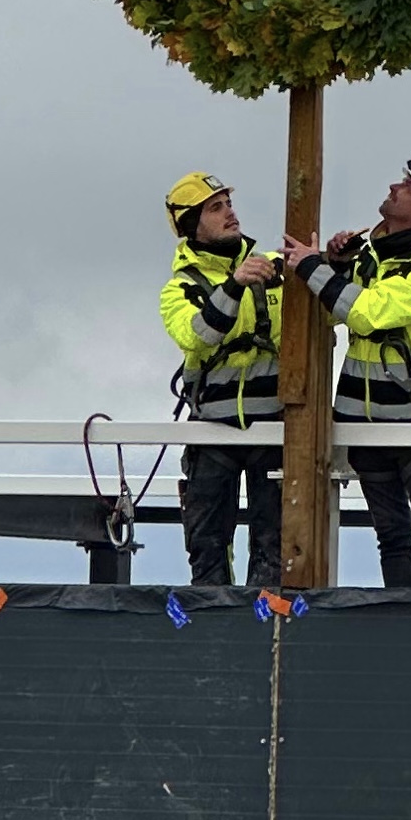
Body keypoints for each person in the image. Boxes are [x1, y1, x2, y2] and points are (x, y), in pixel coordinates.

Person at [286, 158, 411, 589]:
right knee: (390, 535)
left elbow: (368, 313)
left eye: (407, 186)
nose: (394, 186)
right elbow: (336, 312)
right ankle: (403, 621)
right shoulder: (376, 252)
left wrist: (312, 268)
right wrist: (338, 263)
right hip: (362, 419)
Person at [158, 170, 283, 586]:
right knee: (208, 546)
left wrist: (333, 260)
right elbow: (199, 335)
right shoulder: (180, 288)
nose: (230, 213)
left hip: (273, 428)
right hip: (212, 431)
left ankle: (268, 634)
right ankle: (213, 637)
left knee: (276, 548)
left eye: (228, 203)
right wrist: (233, 286)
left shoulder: (273, 269)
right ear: (193, 225)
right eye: (216, 207)